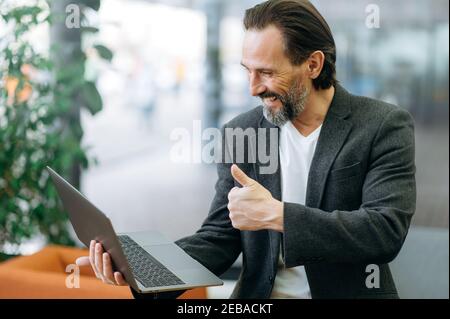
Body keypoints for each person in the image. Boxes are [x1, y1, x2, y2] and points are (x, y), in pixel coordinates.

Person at [76, 0, 416, 299]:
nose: (253, 87)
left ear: (313, 64)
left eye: (266, 73)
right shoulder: (242, 131)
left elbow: (384, 231)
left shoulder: (382, 125)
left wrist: (278, 215)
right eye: (248, 71)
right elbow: (219, 237)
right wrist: (141, 269)